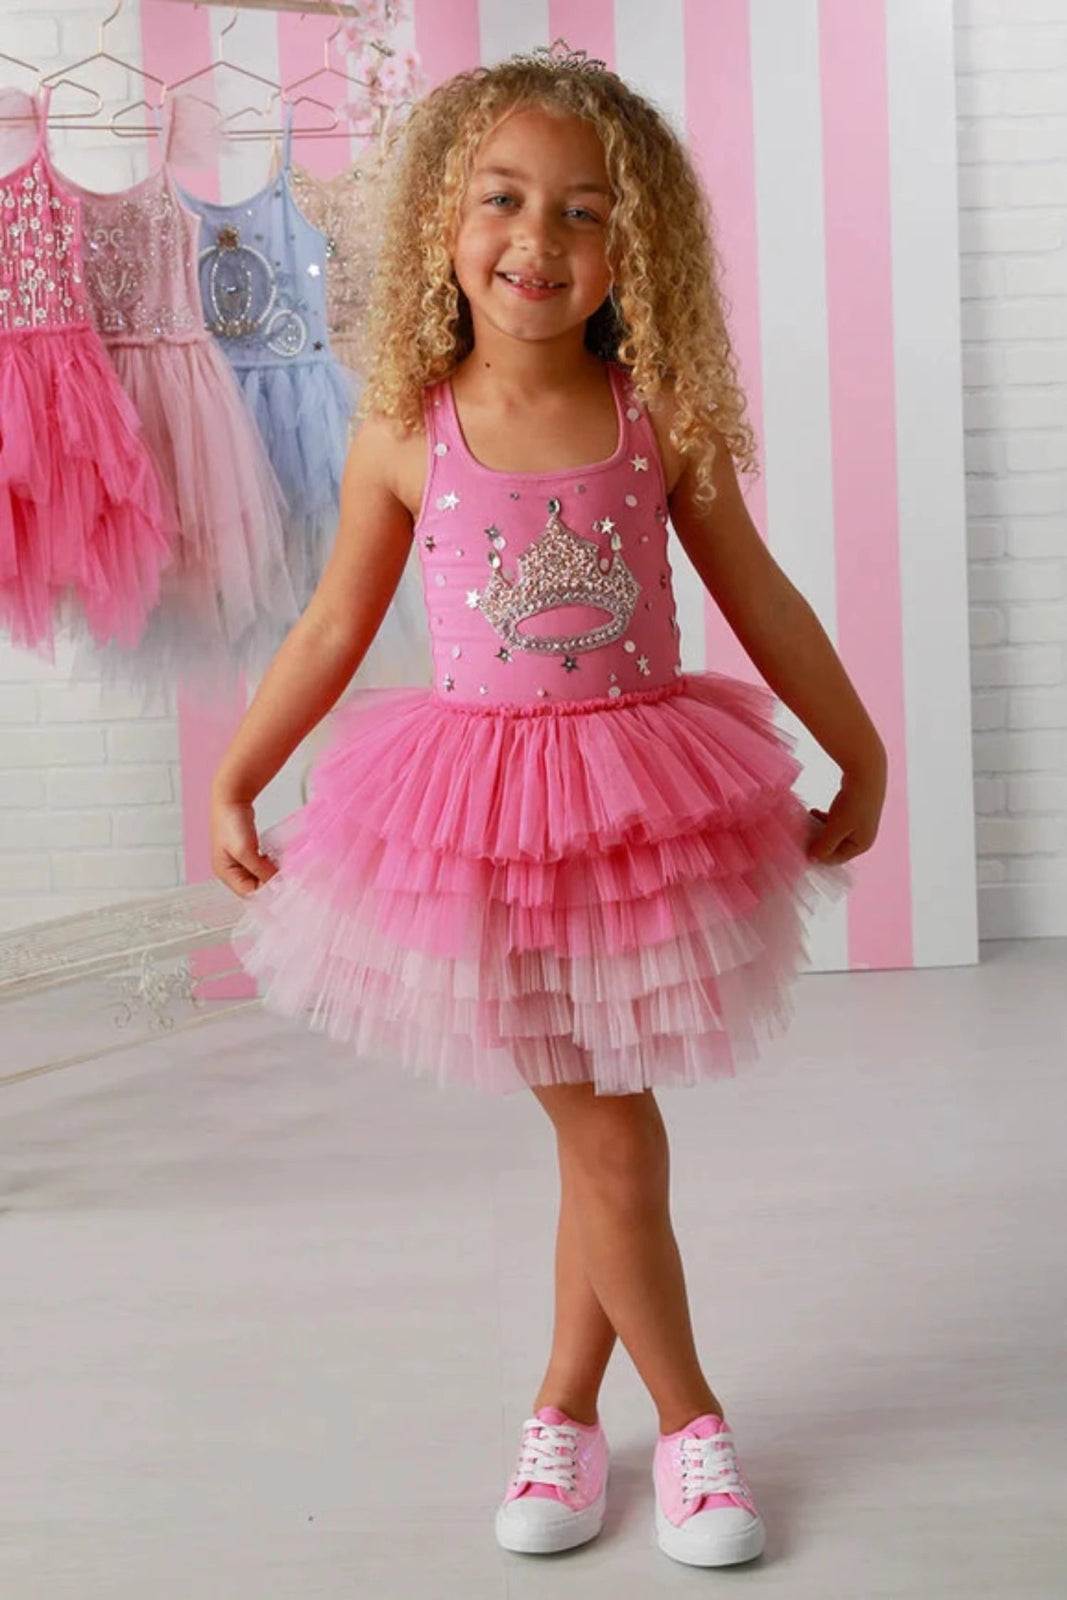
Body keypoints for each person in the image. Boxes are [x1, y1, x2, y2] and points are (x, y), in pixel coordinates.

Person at [209, 40, 887, 1570]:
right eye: (505, 200)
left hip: (638, 821)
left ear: (633, 246)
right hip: (486, 833)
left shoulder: (658, 414)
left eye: (587, 211)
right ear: (444, 225)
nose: (540, 239)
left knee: (603, 1136)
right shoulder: (409, 426)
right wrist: (241, 769)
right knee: (610, 1133)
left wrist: (861, 748)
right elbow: (332, 627)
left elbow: (762, 597)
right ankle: (692, 1422)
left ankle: (572, 1411)